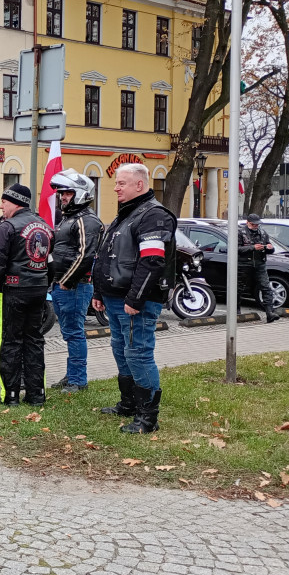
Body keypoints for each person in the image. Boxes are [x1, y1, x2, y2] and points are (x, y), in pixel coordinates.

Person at [92, 163, 176, 434]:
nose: (115, 187)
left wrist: (135, 299)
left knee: (138, 353)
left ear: (139, 185)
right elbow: (106, 255)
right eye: (116, 183)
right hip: (115, 297)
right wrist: (98, 292)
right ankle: (128, 403)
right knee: (121, 349)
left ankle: (147, 417)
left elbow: (152, 261)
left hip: (136, 300)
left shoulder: (153, 215)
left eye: (121, 183)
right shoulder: (126, 214)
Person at [0, 183, 54, 406]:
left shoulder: (7, 227)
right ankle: (36, 395)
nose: (1, 205)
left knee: (10, 343)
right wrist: (43, 284)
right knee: (34, 341)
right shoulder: (44, 226)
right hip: (38, 291)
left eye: (4, 201)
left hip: (13, 291)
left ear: (15, 202)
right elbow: (51, 263)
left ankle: (10, 396)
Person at [48, 169, 104, 394]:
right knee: (69, 334)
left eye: (68, 193)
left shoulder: (87, 221)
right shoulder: (68, 219)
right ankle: (72, 375)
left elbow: (86, 255)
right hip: (61, 285)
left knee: (74, 333)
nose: (63, 197)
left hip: (75, 286)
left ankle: (78, 380)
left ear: (80, 193)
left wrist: (67, 282)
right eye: (62, 193)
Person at [238, 213, 279, 323]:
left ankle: (270, 312)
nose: (255, 226)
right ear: (247, 223)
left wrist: (270, 248)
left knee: (266, 287)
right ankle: (236, 311)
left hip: (260, 263)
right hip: (244, 264)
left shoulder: (263, 233)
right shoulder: (240, 232)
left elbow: (269, 248)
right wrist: (252, 248)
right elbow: (236, 249)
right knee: (239, 288)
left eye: (257, 224)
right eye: (253, 224)